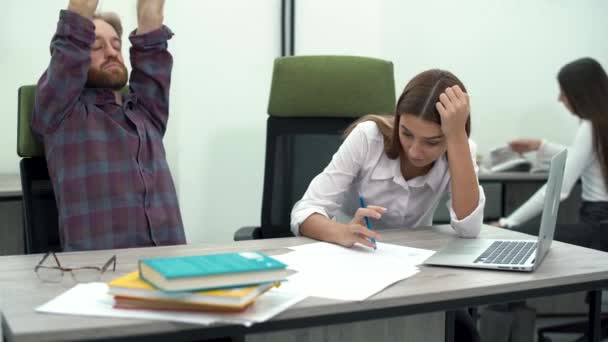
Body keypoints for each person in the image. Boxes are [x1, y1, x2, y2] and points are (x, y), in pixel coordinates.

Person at [31, 0, 186, 251]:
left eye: (116, 44)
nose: (112, 52)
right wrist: (81, 18)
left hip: (171, 269)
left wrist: (150, 13)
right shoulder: (59, 112)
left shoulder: (146, 112)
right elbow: (72, 37)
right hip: (102, 275)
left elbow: (151, 35)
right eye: (95, 46)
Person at [290, 69, 485, 246]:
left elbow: (469, 229)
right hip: (352, 253)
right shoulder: (368, 137)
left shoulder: (459, 147)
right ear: (398, 120)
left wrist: (458, 139)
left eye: (431, 142)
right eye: (407, 134)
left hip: (415, 259)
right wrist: (342, 231)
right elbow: (304, 212)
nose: (415, 152)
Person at [497, 57, 608, 228]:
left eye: (564, 93)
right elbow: (588, 158)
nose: (559, 99)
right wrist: (541, 146)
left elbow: (558, 189)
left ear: (580, 94)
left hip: (597, 216)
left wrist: (508, 222)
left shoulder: (590, 126)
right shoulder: (600, 124)